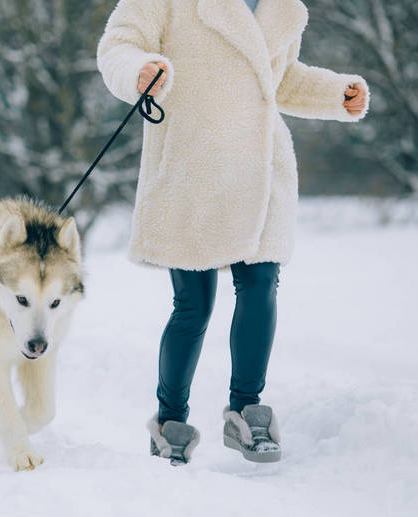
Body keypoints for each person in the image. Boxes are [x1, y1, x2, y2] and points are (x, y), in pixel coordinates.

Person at [96, 0, 369, 464]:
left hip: (261, 171)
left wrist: (334, 93)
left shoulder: (282, 7)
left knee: (261, 284)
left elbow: (278, 78)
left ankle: (246, 411)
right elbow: (117, 45)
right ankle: (170, 422)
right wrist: (139, 69)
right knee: (193, 305)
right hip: (191, 166)